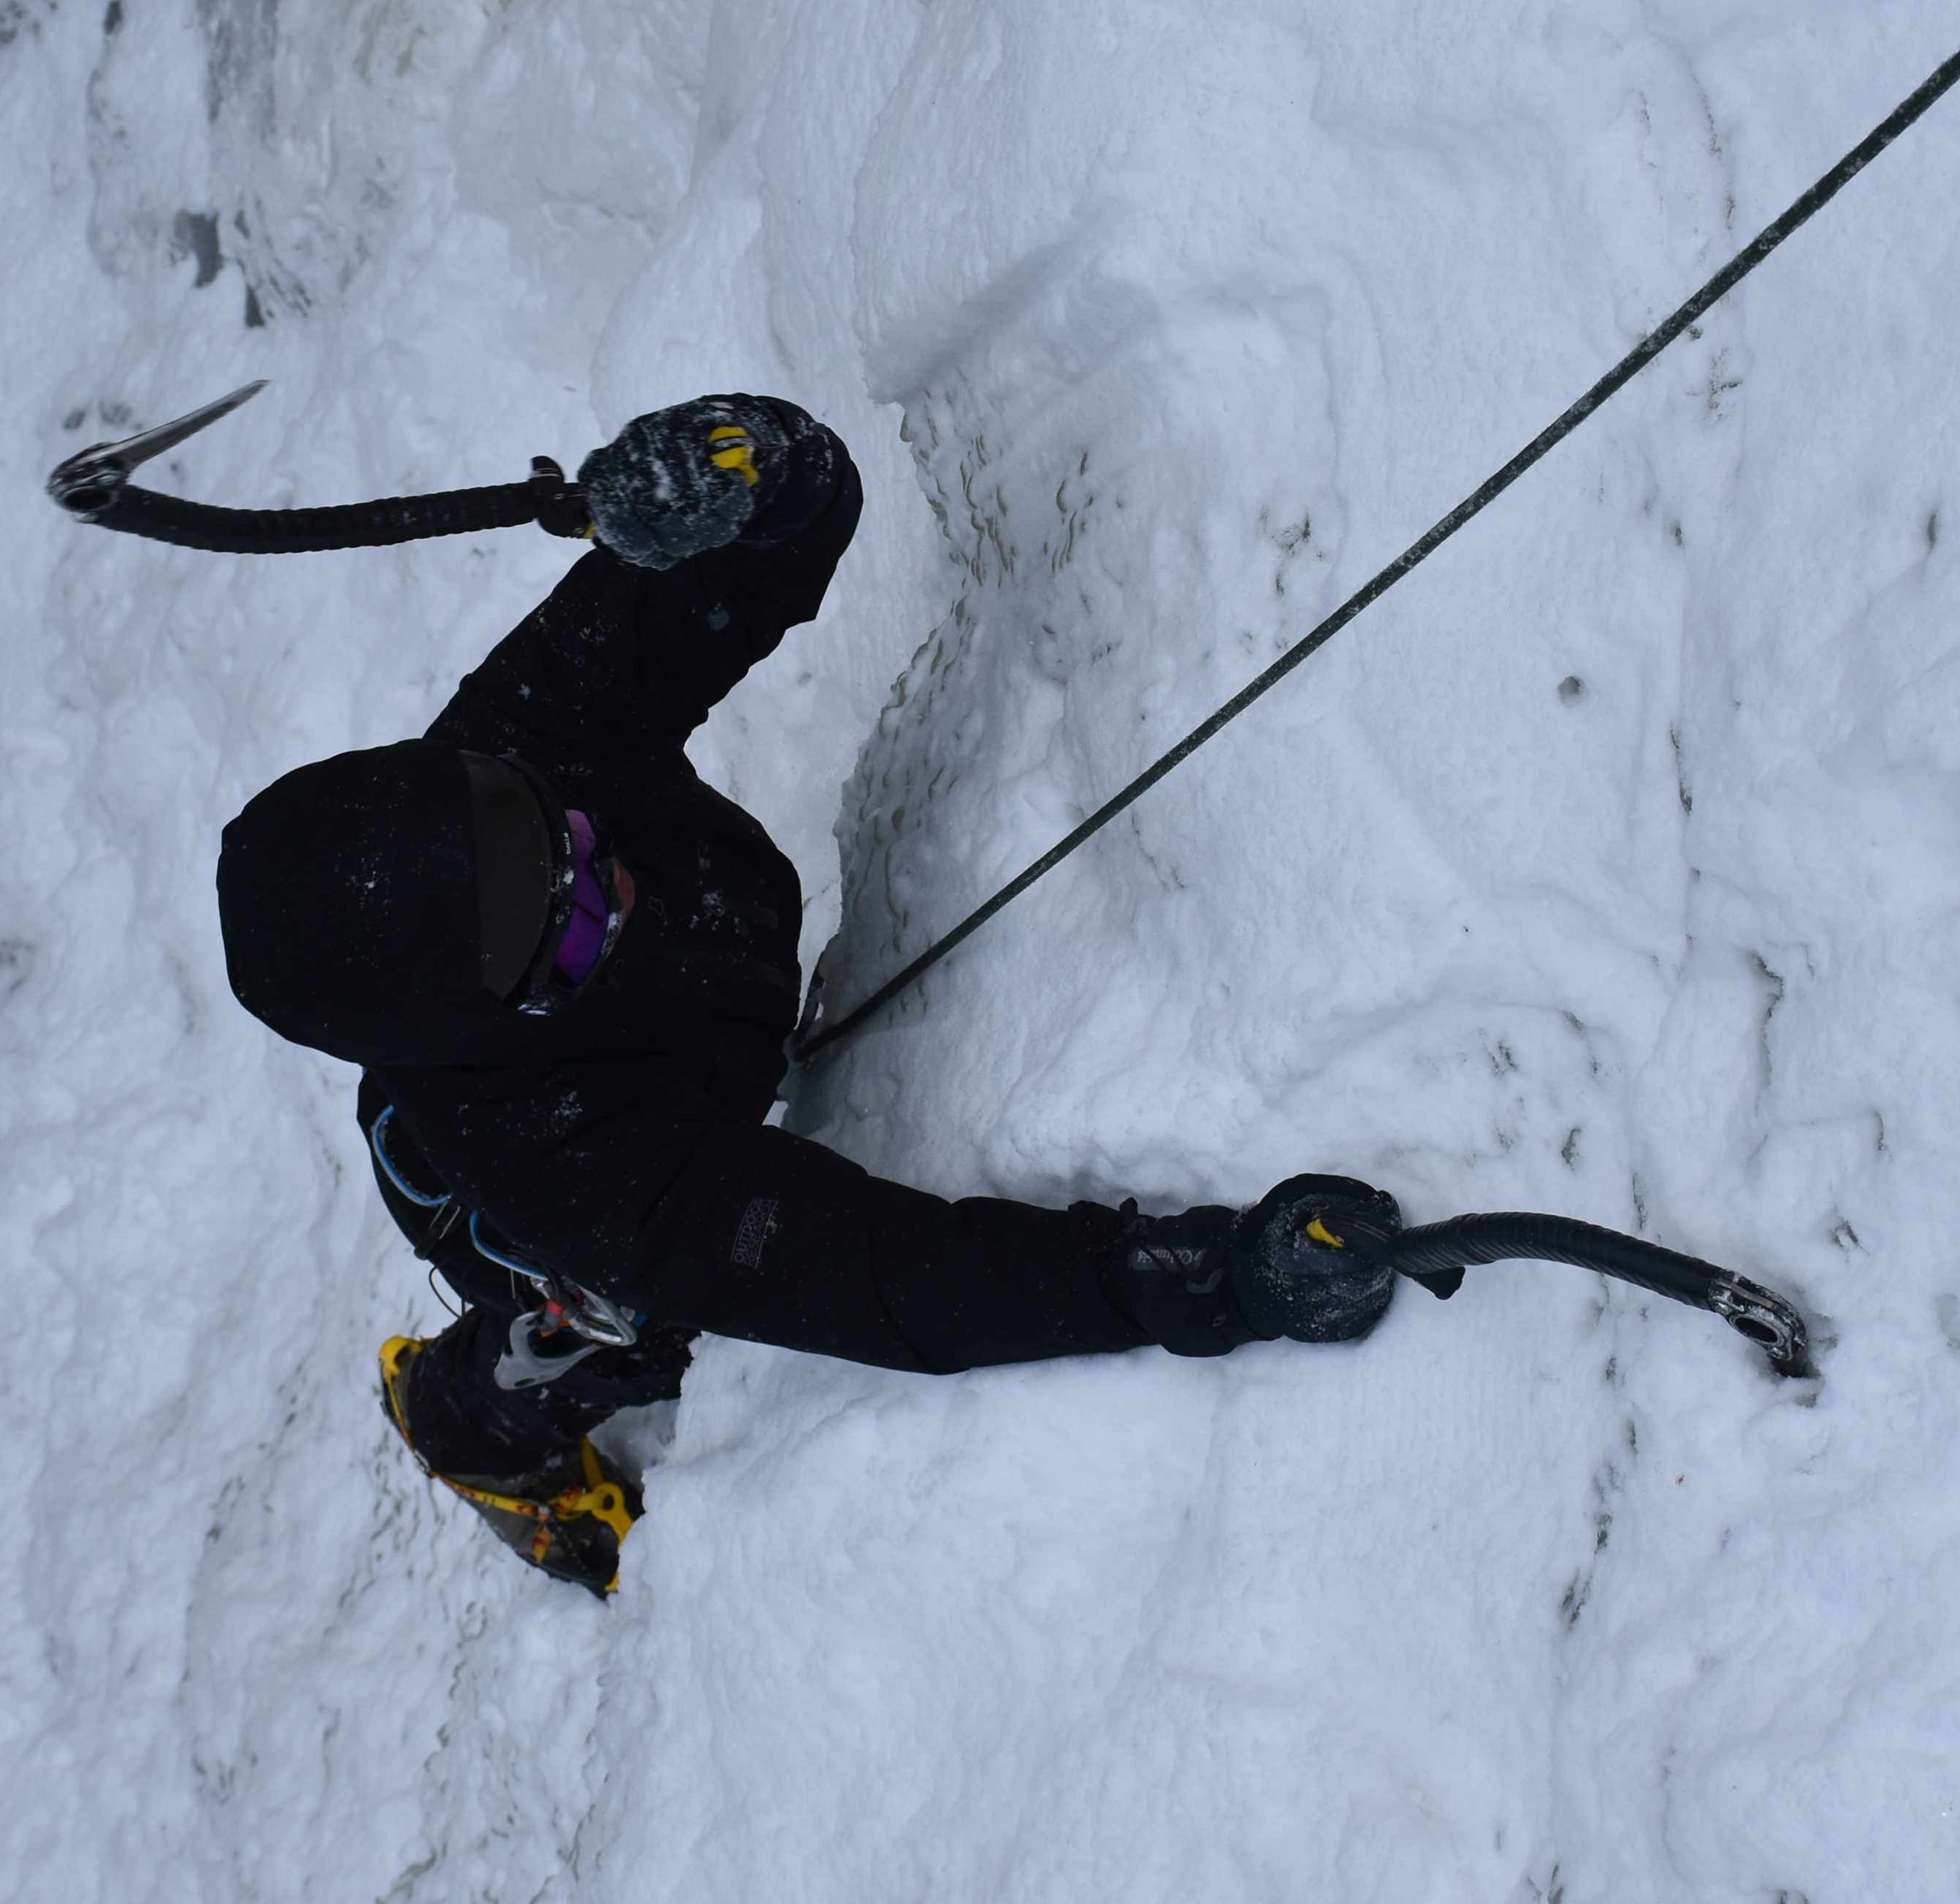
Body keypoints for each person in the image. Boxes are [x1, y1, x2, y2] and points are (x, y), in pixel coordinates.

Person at [215, 395, 1422, 1597]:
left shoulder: (528, 731)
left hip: (662, 1051)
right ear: (496, 1018)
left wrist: (738, 463)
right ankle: (468, 1421)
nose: (611, 882)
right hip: (531, 1218)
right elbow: (895, 1281)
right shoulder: (575, 1179)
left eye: (554, 833)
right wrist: (1222, 1279)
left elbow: (793, 519)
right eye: (569, 933)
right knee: (619, 1319)